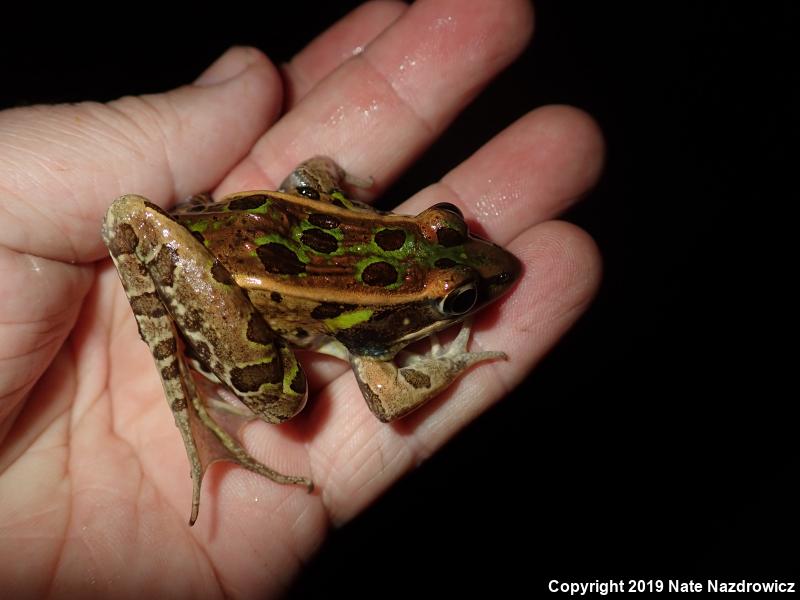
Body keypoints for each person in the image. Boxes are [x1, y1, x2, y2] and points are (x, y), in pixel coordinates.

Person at [0, 0, 602, 596]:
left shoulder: (349, 212)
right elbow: (388, 402)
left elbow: (308, 177)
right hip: (235, 290)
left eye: (448, 233)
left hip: (208, 223)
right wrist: (451, 363)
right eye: (456, 296)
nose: (468, 243)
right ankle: (186, 397)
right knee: (286, 405)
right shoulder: (374, 333)